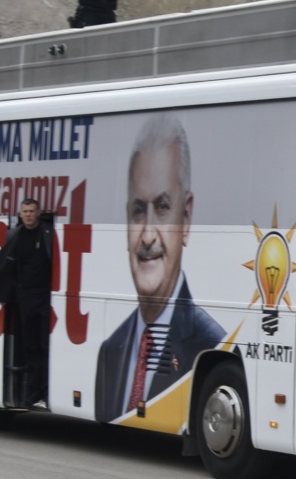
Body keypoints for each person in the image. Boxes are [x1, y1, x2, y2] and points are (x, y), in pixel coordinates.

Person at [95, 114, 225, 422]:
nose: (149, 235)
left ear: (186, 218)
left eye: (163, 208)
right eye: (139, 211)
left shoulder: (212, 344)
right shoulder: (110, 350)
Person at [0, 198, 54, 404]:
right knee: (30, 346)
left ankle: (47, 390)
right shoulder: (15, 236)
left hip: (45, 297)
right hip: (25, 297)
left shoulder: (49, 234)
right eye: (25, 211)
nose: (28, 214)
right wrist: (4, 296)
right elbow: (5, 266)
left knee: (46, 345)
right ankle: (33, 391)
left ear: (39, 212)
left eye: (32, 211)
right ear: (20, 214)